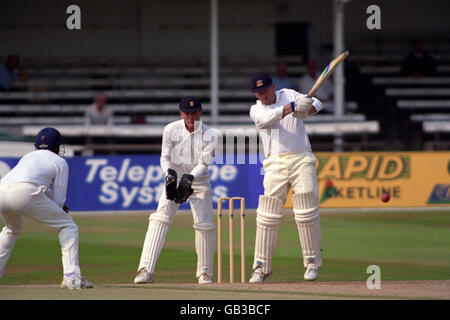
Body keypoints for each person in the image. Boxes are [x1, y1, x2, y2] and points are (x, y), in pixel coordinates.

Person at [248, 73, 324, 283]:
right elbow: (267, 120)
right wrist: (293, 106)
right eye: (258, 92)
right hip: (275, 162)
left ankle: (311, 262)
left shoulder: (288, 93)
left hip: (302, 158)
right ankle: (261, 267)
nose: (262, 95)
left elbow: (318, 103)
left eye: (265, 90)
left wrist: (307, 106)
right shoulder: (256, 109)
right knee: (267, 215)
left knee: (306, 209)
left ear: (273, 87)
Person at [134, 96, 217, 285]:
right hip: (175, 177)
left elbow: (203, 163)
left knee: (205, 224)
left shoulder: (211, 135)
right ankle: (145, 270)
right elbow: (164, 157)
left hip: (199, 180)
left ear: (200, 112)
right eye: (187, 113)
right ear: (181, 113)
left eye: (194, 112)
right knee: (160, 219)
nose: (190, 117)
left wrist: (190, 178)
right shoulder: (170, 129)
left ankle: (205, 273)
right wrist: (168, 174)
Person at [0, 127, 93, 289]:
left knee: (11, 229)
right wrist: (59, 209)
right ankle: (72, 277)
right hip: (25, 193)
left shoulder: (28, 157)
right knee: (67, 225)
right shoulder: (60, 162)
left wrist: (52, 203)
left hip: (2, 191)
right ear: (57, 146)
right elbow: (58, 200)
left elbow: (40, 187)